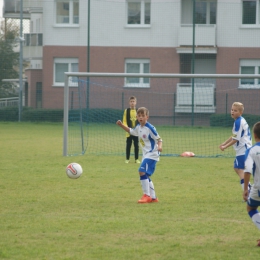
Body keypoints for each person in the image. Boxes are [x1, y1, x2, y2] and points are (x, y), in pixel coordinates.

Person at [116, 107, 162, 203]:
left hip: (152, 154)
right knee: (146, 175)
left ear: (147, 117)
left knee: (141, 171)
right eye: (139, 116)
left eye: (143, 116)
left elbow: (159, 139)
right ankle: (153, 198)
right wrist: (121, 125)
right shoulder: (138, 127)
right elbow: (131, 131)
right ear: (137, 117)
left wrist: (160, 146)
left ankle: (147, 195)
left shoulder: (150, 128)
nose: (141, 117)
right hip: (146, 155)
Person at [219, 102, 252, 193]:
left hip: (243, 149)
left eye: (235, 110)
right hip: (245, 149)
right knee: (237, 168)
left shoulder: (238, 122)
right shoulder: (240, 120)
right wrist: (224, 142)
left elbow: (236, 139)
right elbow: (234, 135)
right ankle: (249, 188)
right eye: (232, 110)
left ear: (240, 112)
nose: (232, 112)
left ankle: (247, 191)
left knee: (239, 169)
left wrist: (225, 146)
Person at [243, 121, 260, 247]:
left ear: (254, 136)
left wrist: (245, 189)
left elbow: (247, 170)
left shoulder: (252, 150)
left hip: (258, 187)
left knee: (251, 208)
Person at [122, 96, 140, 164]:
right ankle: (127, 159)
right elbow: (124, 121)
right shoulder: (126, 111)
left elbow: (139, 120)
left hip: (136, 132)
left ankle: (136, 159)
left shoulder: (138, 110)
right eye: (131, 101)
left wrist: (138, 129)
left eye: (133, 101)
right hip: (128, 131)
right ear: (129, 103)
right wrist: (127, 129)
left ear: (136, 102)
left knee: (136, 145)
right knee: (128, 145)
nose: (132, 103)